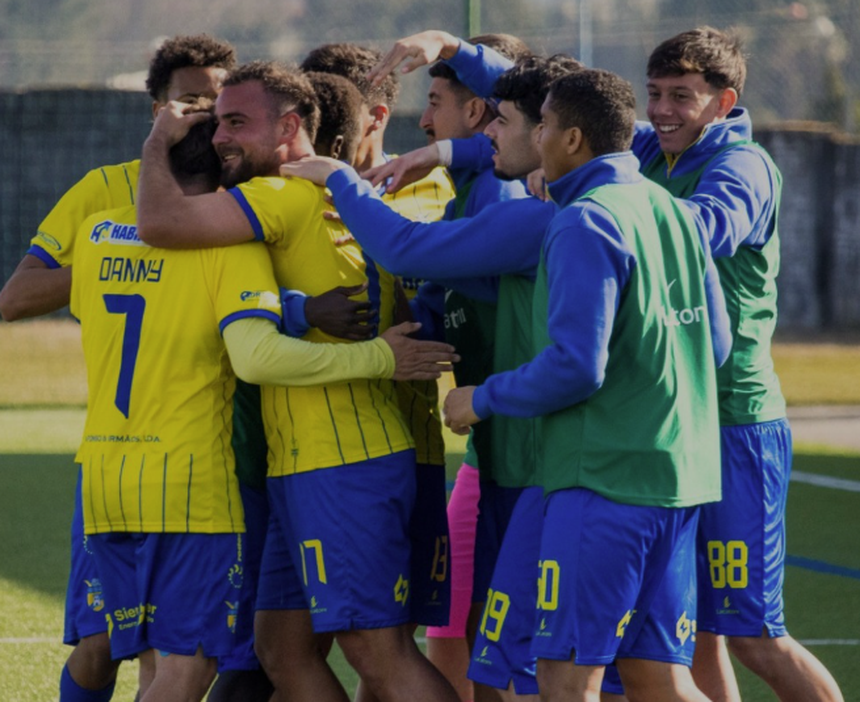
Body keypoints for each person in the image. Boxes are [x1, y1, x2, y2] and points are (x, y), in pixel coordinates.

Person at [135, 61, 461, 702]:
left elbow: (158, 223)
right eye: (218, 120)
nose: (222, 135)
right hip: (307, 462)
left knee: (377, 651)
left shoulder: (281, 193)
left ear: (290, 126)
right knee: (281, 648)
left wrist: (156, 142)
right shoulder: (335, 193)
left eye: (236, 121)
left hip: (343, 462)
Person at [282, 52, 581, 702]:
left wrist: (341, 180)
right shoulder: (507, 192)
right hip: (513, 463)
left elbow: (410, 253)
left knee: (545, 672)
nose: (484, 136)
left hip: (543, 467)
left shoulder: (528, 210)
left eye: (496, 121)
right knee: (511, 662)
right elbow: (442, 279)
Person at [443, 67, 731, 702]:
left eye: (541, 124)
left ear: (571, 139)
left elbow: (576, 365)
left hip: (603, 484)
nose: (534, 135)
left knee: (564, 678)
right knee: (659, 677)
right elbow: (715, 345)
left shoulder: (583, 220)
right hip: (679, 482)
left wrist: (479, 399)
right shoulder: (672, 208)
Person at [0, 34, 237, 702]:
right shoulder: (103, 192)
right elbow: (16, 298)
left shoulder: (238, 193)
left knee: (188, 651)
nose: (206, 112)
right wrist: (136, 255)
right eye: (191, 99)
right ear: (156, 108)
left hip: (211, 451)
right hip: (122, 460)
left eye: (219, 100)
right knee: (103, 644)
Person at [635, 27, 844, 702]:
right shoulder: (652, 153)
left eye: (682, 97)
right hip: (675, 429)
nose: (662, 109)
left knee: (756, 636)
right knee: (691, 633)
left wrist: (607, 213)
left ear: (722, 102)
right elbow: (562, 102)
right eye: (655, 93)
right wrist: (463, 61)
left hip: (734, 424)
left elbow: (703, 231)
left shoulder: (743, 166)